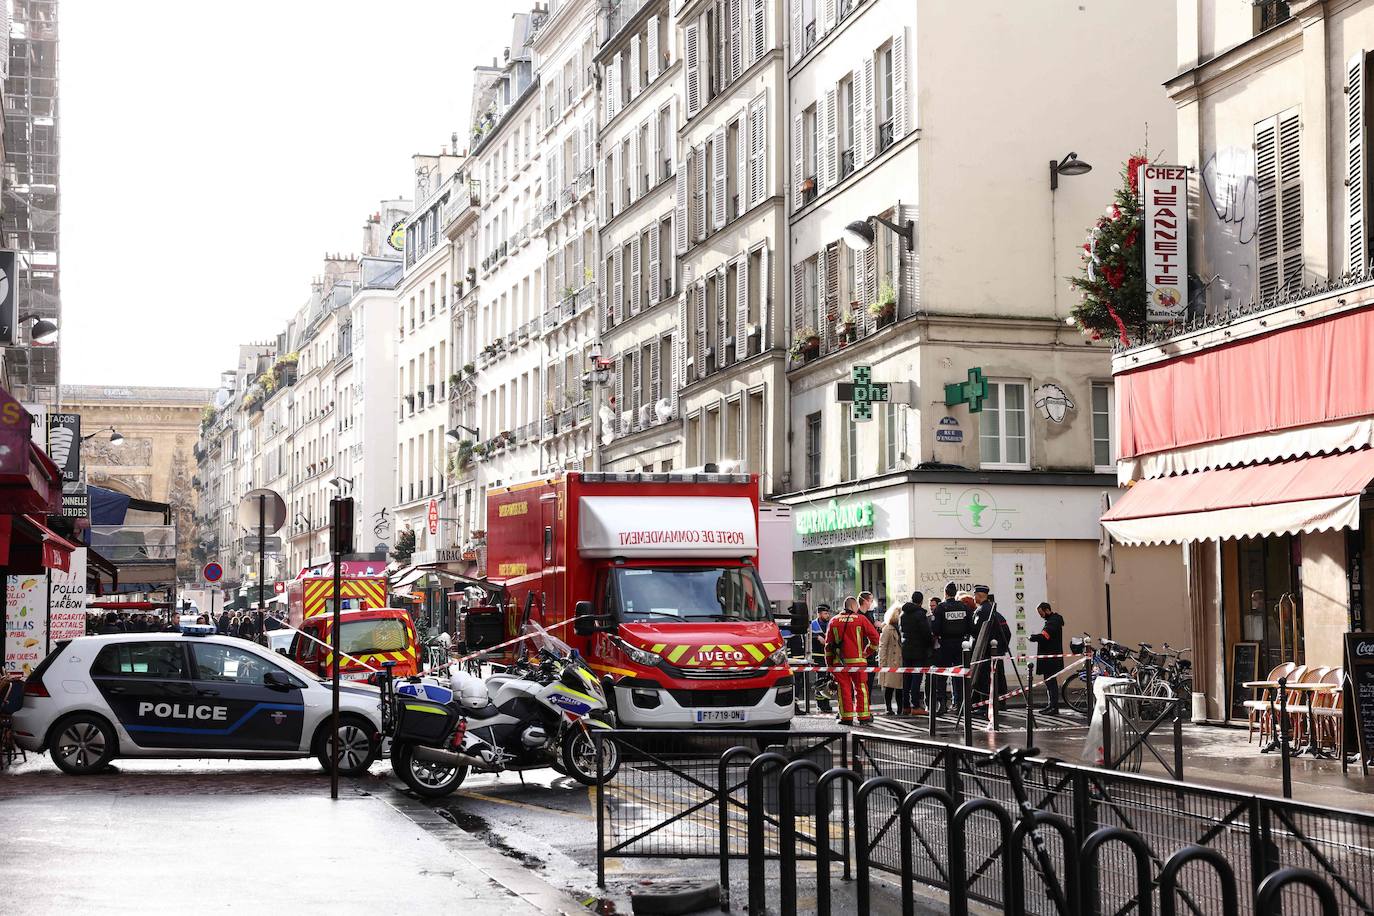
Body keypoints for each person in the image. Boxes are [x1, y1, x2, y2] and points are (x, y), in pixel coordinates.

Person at [824, 596, 880, 725]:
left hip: (840, 663)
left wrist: (829, 664)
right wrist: (867, 651)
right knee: (861, 688)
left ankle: (846, 717)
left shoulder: (834, 621)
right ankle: (864, 717)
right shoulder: (861, 619)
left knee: (843, 688)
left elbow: (828, 646)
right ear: (854, 606)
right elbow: (875, 638)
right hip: (858, 662)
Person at [931, 582, 973, 716]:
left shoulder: (941, 608)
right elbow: (970, 627)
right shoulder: (964, 607)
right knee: (960, 674)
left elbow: (935, 629)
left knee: (942, 675)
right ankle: (961, 703)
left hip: (945, 644)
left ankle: (942, 704)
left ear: (945, 593)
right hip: (961, 644)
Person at [970, 585, 1012, 705]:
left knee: (985, 680)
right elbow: (1007, 633)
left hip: (985, 653)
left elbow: (976, 631)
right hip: (996, 653)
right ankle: (1001, 703)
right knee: (998, 678)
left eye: (974, 595)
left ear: (978, 596)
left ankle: (985, 705)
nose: (974, 598)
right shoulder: (996, 613)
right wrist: (1000, 649)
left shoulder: (981, 611)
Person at [1028, 601, 1065, 714]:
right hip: (1051, 658)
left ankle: (1053, 707)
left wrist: (1033, 637)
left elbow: (1045, 636)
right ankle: (1051, 705)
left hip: (1051, 659)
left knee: (1051, 682)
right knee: (1049, 682)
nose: (1040, 615)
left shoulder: (1052, 622)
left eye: (1041, 613)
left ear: (1047, 610)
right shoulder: (1053, 620)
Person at [900, 593, 933, 714]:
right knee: (916, 678)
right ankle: (915, 706)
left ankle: (905, 706)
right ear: (921, 601)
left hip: (906, 649)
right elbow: (925, 633)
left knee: (906, 678)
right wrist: (930, 643)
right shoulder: (920, 615)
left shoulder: (903, 614)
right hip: (918, 650)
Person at [876, 607, 905, 715]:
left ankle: (900, 708)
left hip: (899, 661)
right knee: (889, 687)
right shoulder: (888, 628)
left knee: (899, 688)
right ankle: (888, 707)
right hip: (890, 662)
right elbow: (882, 646)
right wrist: (882, 663)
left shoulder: (901, 628)